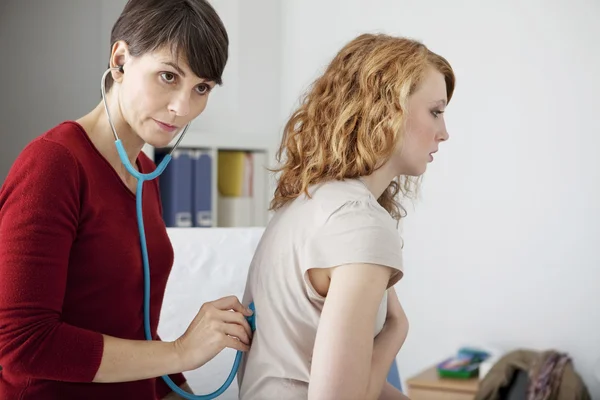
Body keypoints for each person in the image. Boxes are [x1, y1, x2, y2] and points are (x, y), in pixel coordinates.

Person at [0, 1, 253, 399]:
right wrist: (182, 352)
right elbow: (22, 345)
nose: (183, 108)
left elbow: (135, 334)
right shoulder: (54, 165)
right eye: (168, 76)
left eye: (201, 88)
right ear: (120, 60)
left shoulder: (143, 176)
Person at [237, 33, 455, 400]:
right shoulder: (361, 223)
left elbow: (328, 377)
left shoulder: (308, 203)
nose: (443, 133)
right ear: (388, 109)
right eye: (435, 111)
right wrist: (396, 331)